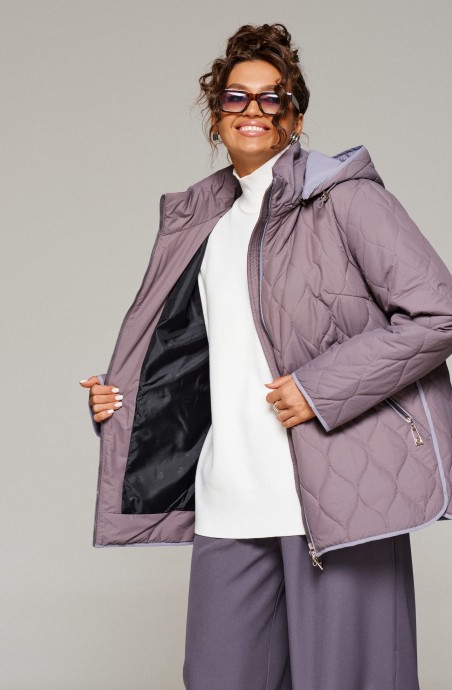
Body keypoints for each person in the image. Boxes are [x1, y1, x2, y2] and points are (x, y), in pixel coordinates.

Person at [79, 23, 452, 690]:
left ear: (295, 117)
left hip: (337, 501)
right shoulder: (200, 224)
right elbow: (202, 358)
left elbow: (437, 313)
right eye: (235, 97)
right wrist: (124, 400)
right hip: (230, 500)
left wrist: (318, 389)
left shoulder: (345, 199)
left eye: (271, 97)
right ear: (215, 115)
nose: (252, 109)